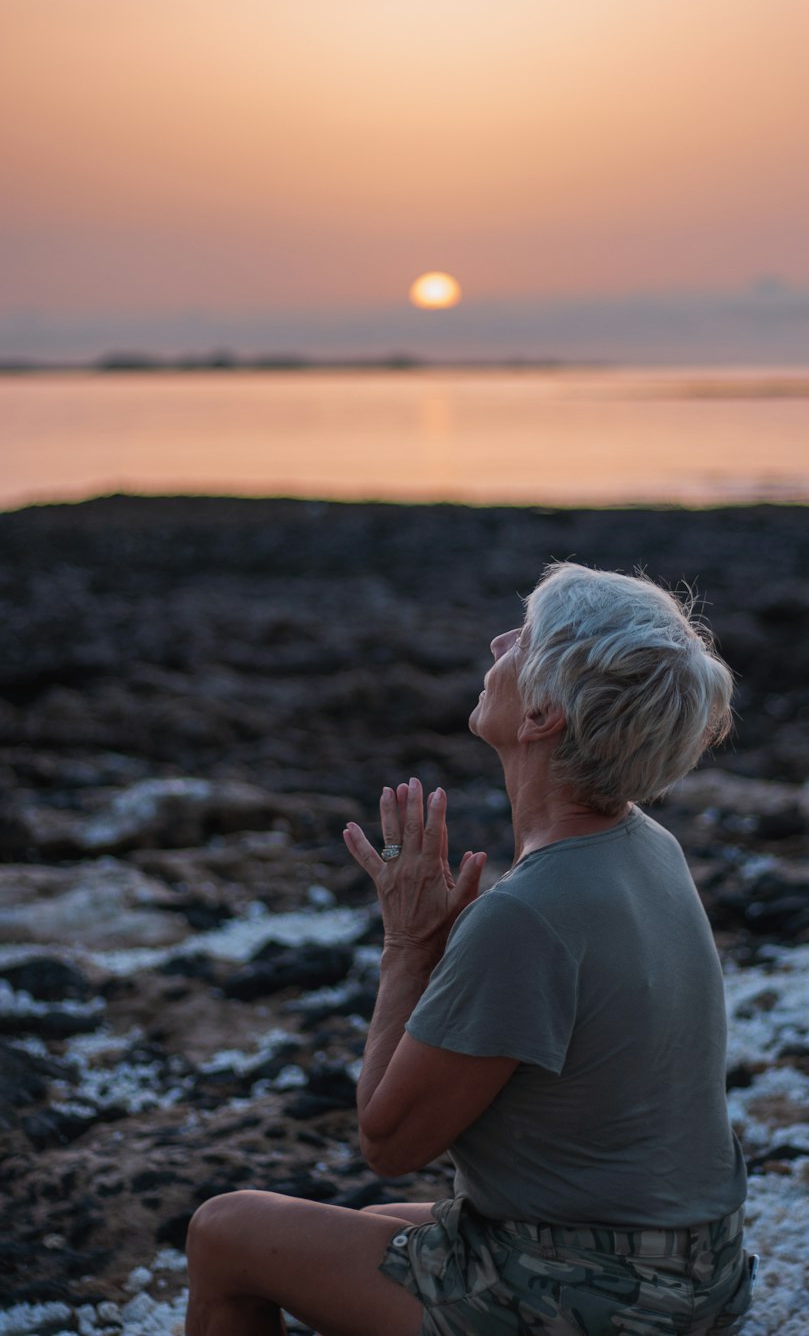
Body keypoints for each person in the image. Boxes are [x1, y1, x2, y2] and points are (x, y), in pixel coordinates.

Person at [185, 563, 753, 1336]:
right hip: (696, 1266)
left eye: (524, 636)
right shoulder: (648, 845)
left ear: (544, 712)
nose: (498, 641)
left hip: (605, 1298)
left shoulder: (526, 914)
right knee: (365, 1224)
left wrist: (410, 946)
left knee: (227, 1231)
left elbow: (388, 1139)